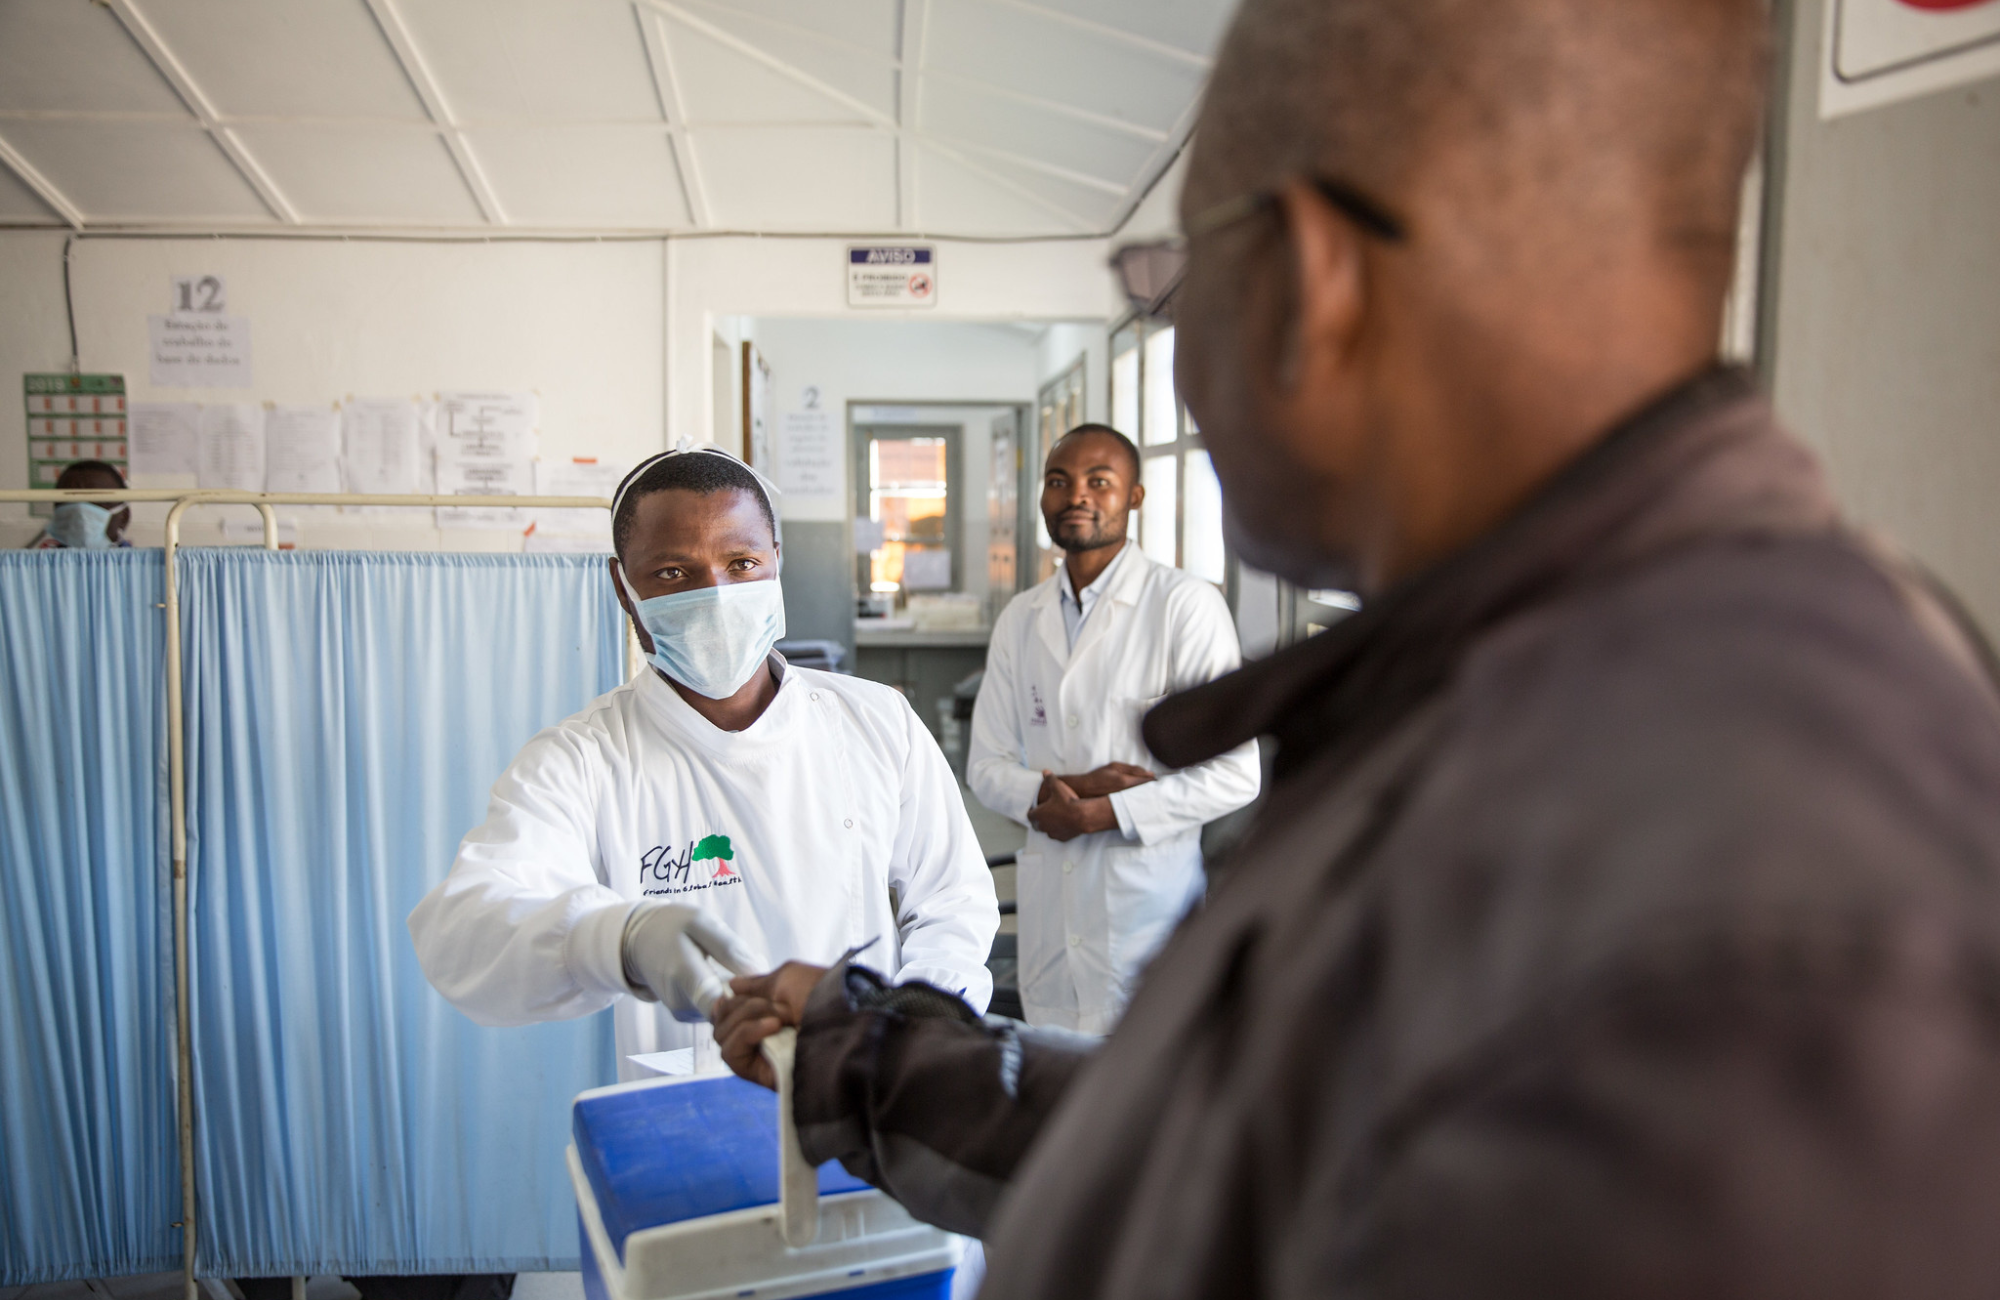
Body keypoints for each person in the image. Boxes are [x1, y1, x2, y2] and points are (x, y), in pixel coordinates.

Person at [712, 0, 2000, 1295]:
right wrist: (874, 1053)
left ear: (1311, 281)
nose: (1184, 366)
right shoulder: (1520, 704)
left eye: (1173, 285)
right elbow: (1246, 1147)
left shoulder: (1758, 895)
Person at [408, 444, 999, 1078]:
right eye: (672, 574)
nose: (715, 595)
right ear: (622, 584)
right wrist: (618, 940)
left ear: (777, 563)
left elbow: (953, 905)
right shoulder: (583, 759)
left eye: (741, 563)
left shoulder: (877, 723)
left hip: (867, 1088)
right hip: (683, 1118)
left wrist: (902, 1026)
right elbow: (463, 934)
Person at [968, 423, 1259, 1032]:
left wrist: (1103, 813)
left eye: (1100, 482)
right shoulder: (1021, 619)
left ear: (1134, 497)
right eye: (1059, 482)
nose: (1078, 495)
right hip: (1051, 917)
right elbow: (985, 769)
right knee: (1057, 1091)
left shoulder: (1184, 606)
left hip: (1147, 911)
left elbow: (1237, 775)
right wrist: (1065, 789)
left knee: (1144, 1102)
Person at [27, 460, 132, 549]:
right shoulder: (39, 568)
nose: (80, 513)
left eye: (96, 502)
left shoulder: (139, 568)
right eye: (69, 501)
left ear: (124, 517)